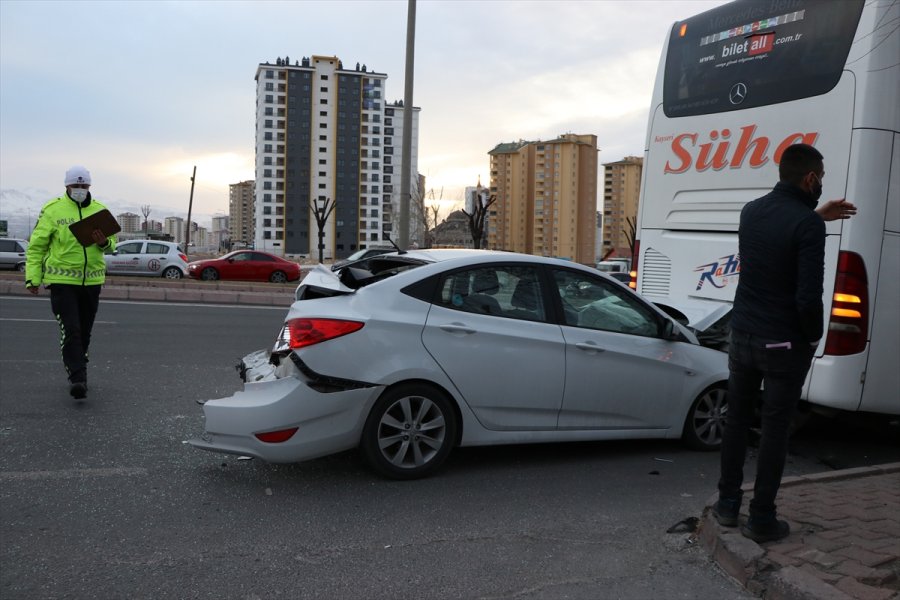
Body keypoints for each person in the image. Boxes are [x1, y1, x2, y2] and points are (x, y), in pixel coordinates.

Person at [714, 144, 857, 543]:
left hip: (741, 335)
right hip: (782, 345)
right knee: (775, 429)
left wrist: (814, 217)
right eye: (821, 177)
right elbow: (807, 297)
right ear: (810, 178)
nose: (822, 183)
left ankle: (727, 506)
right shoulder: (807, 227)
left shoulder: (751, 211)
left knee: (737, 422)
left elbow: (777, 242)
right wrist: (812, 336)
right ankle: (761, 519)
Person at [25, 166, 117, 399]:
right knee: (72, 330)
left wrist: (104, 242)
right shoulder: (52, 210)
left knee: (84, 332)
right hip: (61, 282)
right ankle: (78, 379)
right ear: (66, 186)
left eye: (84, 186)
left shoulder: (100, 210)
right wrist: (33, 278)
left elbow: (112, 245)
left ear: (89, 187)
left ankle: (79, 366)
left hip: (92, 282)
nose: (80, 190)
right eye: (76, 186)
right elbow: (36, 248)